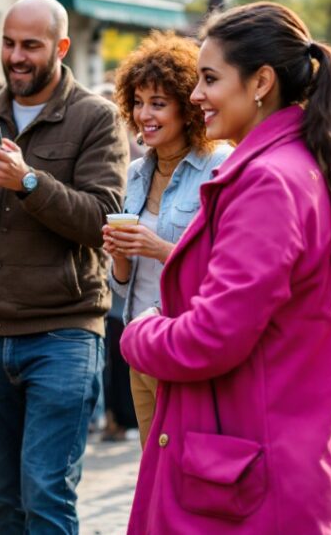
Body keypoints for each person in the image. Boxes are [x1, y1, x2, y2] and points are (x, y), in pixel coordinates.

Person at [120, 2, 331, 532]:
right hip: (276, 455)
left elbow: (213, 335)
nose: (196, 96)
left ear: (261, 81)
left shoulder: (268, 180)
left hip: (258, 480)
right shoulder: (295, 164)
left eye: (210, 79)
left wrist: (140, 333)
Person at [0, 0, 129, 534]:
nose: (16, 57)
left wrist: (28, 182)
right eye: (9, 44)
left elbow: (103, 219)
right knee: (5, 499)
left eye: (31, 46)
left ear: (60, 47)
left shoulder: (97, 118)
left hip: (64, 334)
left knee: (45, 492)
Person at [102, 31, 231, 446]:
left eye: (158, 103)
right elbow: (122, 283)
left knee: (189, 469)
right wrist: (119, 254)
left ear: (188, 108)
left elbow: (226, 268)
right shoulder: (136, 175)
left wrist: (158, 248)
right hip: (141, 342)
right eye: (138, 103)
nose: (145, 114)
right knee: (153, 473)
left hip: (187, 343)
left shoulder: (220, 167)